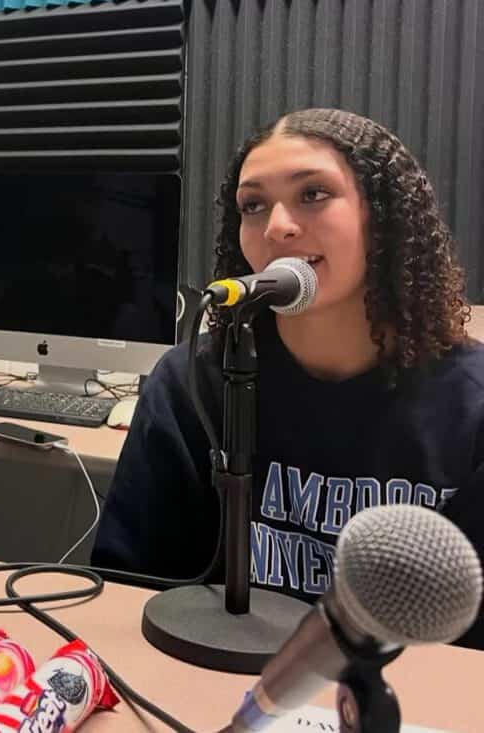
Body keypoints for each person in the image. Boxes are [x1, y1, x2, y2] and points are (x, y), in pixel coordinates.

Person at [91, 108, 484, 649]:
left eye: (313, 194)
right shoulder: (191, 384)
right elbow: (129, 586)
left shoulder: (471, 409)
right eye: (253, 205)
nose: (276, 226)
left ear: (385, 218)